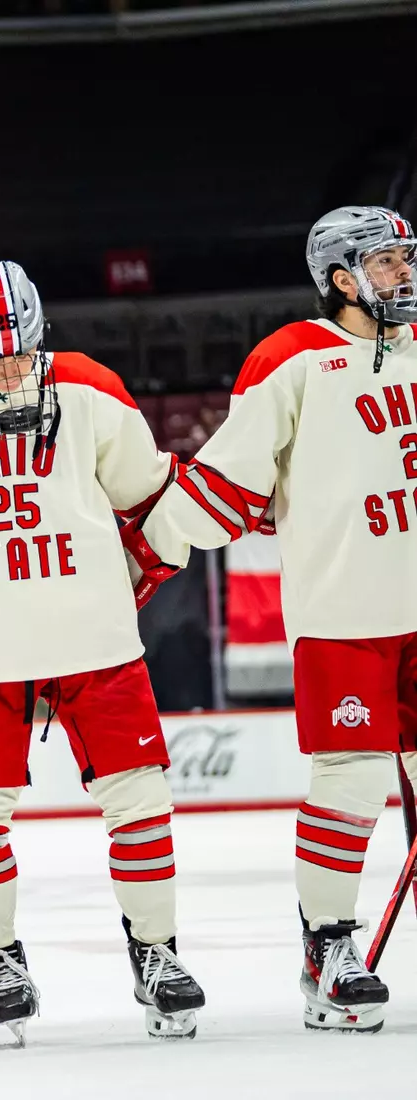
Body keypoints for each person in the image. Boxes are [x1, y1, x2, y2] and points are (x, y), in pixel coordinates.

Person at [0, 261, 206, 1043]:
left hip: (90, 638)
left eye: (22, 355)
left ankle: (156, 950)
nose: (11, 370)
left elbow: (150, 495)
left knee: (141, 797)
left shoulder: (88, 384)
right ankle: (1, 958)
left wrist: (128, 580)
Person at [128, 205, 417, 1035]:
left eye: (406, 257)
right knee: (353, 781)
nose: (404, 273)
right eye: (387, 261)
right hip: (345, 614)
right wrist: (148, 553)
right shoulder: (292, 358)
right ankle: (327, 948)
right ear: (339, 277)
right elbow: (229, 481)